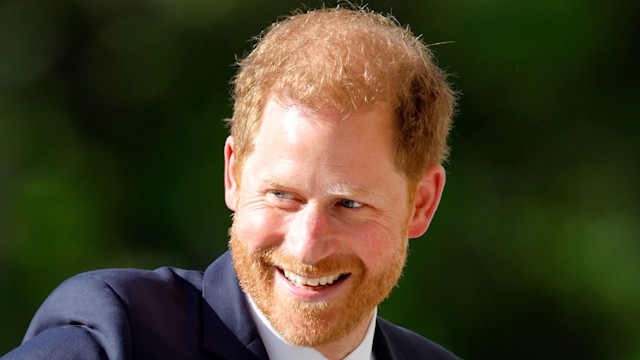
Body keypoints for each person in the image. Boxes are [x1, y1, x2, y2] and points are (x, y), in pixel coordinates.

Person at [2, 5, 458, 360]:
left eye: (349, 204)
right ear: (233, 175)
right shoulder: (120, 338)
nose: (306, 248)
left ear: (421, 203)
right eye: (282, 195)